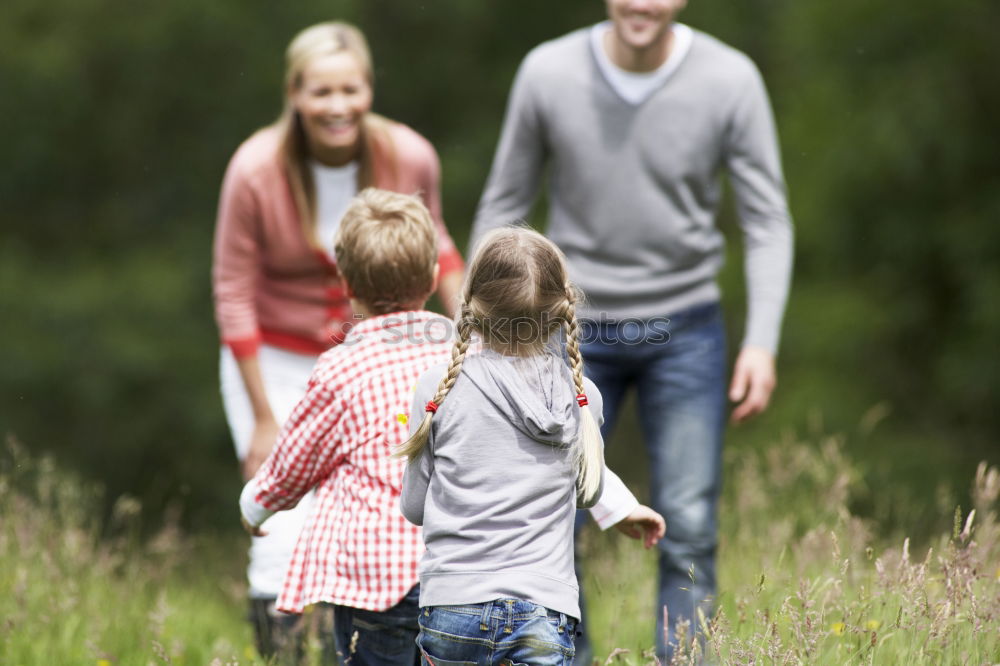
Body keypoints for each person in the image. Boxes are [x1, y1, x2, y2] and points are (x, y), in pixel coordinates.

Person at [470, 0, 794, 660]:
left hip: (687, 331)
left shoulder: (730, 79)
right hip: (567, 331)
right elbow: (503, 208)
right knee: (551, 516)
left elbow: (767, 222)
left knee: (692, 527)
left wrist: (761, 341)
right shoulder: (548, 73)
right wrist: (478, 331)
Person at [241, 196, 663, 666]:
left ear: (345, 281)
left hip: (405, 586)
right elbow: (572, 468)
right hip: (517, 596)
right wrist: (621, 507)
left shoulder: (394, 372)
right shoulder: (518, 370)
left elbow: (303, 465)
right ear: (431, 276)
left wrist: (255, 505)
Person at [212, 21, 464, 658]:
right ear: (294, 94)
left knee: (395, 503)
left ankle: (370, 636)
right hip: (278, 356)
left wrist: (475, 341)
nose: (337, 106)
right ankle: (287, 649)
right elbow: (233, 292)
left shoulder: (409, 155)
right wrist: (265, 418)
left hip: (385, 355)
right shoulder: (255, 170)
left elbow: (439, 250)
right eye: (321, 92)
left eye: (350, 90)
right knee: (283, 527)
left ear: (369, 90)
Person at [399, 227, 667, 666]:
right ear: (563, 307)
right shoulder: (583, 397)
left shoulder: (437, 387)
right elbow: (589, 492)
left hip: (451, 605)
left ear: (472, 300)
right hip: (545, 609)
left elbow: (414, 508)